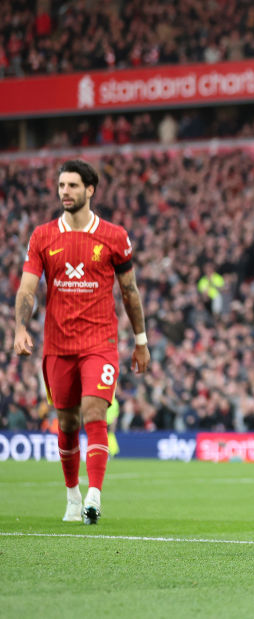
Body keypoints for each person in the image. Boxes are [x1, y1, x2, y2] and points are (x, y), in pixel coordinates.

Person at [13, 159, 150, 524]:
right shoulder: (43, 236)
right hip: (57, 345)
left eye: (72, 186)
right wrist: (19, 328)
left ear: (90, 190)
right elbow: (28, 287)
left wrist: (141, 340)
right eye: (61, 186)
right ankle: (72, 495)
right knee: (67, 422)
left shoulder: (114, 236)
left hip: (99, 342)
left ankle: (94, 494)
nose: (65, 192)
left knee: (94, 411)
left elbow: (130, 291)